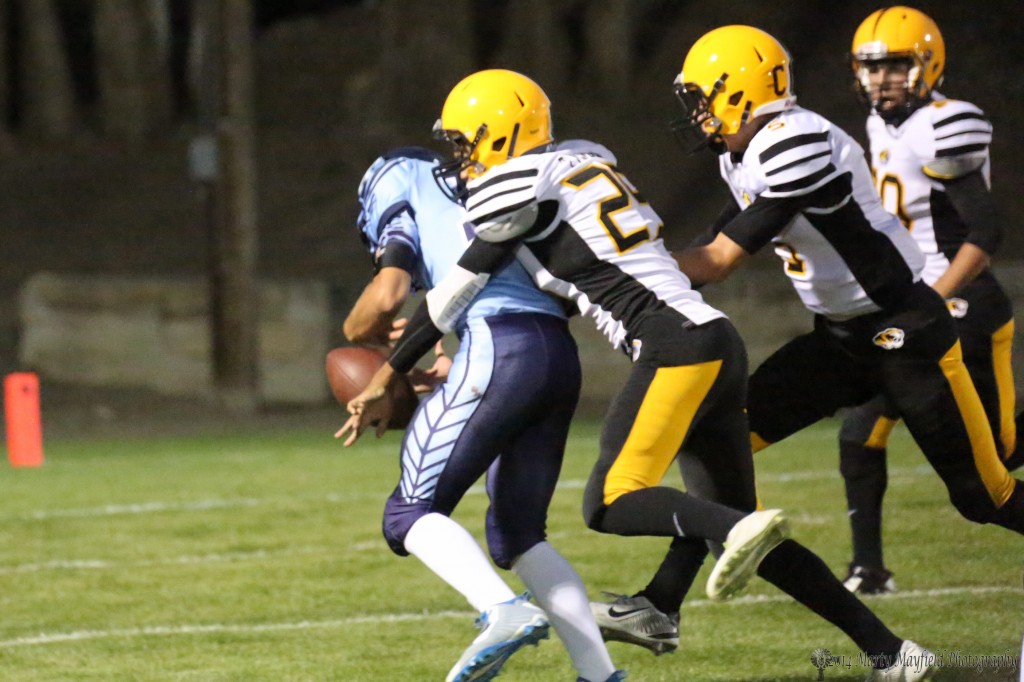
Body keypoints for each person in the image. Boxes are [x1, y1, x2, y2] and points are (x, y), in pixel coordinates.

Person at [340, 68, 933, 681]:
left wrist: (391, 368)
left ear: (501, 135)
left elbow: (455, 290)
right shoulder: (584, 162)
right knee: (742, 532)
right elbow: (569, 279)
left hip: (673, 344)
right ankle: (891, 652)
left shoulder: (514, 186)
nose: (460, 158)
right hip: (712, 338)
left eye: (466, 141)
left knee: (610, 499)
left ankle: (736, 529)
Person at [665, 22, 1024, 644]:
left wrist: (615, 270)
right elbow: (706, 243)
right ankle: (662, 599)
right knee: (712, 438)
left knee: (984, 496)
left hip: (906, 333)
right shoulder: (745, 151)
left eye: (703, 97)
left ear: (741, 92)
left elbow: (720, 261)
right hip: (840, 340)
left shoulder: (795, 143)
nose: (696, 114)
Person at [341, 146, 623, 682]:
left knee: (408, 513)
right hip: (557, 353)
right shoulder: (507, 178)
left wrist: (357, 333)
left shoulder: (399, 176)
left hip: (498, 346)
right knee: (519, 533)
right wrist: (453, 358)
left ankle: (502, 610)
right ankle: (599, 675)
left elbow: (388, 294)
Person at [837, 5, 1023, 594]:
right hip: (915, 314)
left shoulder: (944, 124)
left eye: (893, 66)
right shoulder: (880, 126)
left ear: (926, 64)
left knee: (997, 455)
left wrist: (934, 302)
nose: (879, 80)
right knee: (859, 432)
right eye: (870, 68)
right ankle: (869, 569)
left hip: (964, 309)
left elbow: (985, 234)